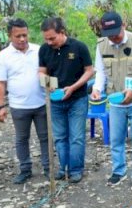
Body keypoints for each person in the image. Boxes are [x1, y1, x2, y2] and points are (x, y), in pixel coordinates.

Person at [91, 11, 132, 188]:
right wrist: (96, 89)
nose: (114, 38)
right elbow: (101, 72)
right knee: (116, 138)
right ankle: (118, 171)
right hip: (115, 100)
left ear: (124, 26)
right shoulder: (101, 46)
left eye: (116, 34)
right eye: (109, 35)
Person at [0, 18, 49, 184]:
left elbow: (47, 72)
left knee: (45, 137)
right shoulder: (3, 56)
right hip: (18, 106)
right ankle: (25, 169)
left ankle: (48, 167)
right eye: (18, 36)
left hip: (40, 103)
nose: (22, 39)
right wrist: (1, 106)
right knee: (21, 138)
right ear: (10, 36)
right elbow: (0, 82)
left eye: (25, 35)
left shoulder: (39, 50)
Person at [39, 17, 94, 183]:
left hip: (77, 99)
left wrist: (73, 87)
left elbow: (89, 71)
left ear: (62, 32)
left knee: (76, 136)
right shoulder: (44, 50)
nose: (49, 42)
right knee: (60, 136)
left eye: (52, 38)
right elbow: (41, 72)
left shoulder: (79, 47)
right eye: (46, 39)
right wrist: (47, 83)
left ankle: (76, 169)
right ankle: (64, 168)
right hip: (55, 101)